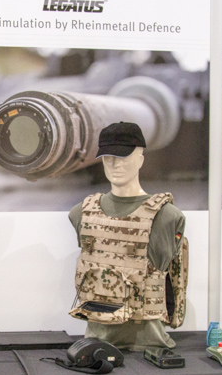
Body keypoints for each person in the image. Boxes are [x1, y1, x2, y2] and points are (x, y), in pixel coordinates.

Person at [68, 121, 187, 351]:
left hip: (150, 348)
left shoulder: (167, 216)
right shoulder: (81, 212)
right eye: (108, 157)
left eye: (123, 156)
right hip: (96, 347)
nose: (115, 164)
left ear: (141, 158)